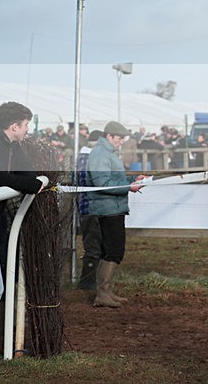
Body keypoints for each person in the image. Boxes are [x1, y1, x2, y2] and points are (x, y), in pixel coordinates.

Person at [87, 121, 146, 308]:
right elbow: (103, 183)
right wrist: (129, 186)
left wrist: (131, 180)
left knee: (110, 249)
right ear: (109, 136)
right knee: (114, 249)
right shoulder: (100, 155)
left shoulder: (105, 154)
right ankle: (102, 293)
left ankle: (105, 291)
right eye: (119, 138)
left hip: (112, 207)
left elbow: (113, 180)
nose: (121, 142)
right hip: (108, 209)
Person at [0, 102, 45, 309]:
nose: (27, 130)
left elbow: (27, 171)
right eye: (25, 125)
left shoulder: (13, 145)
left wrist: (32, 182)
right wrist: (29, 185)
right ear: (14, 126)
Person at [75, 130, 103, 291]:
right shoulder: (93, 158)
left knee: (91, 243)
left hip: (84, 205)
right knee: (94, 245)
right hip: (94, 205)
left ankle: (89, 280)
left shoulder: (80, 157)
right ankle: (87, 282)